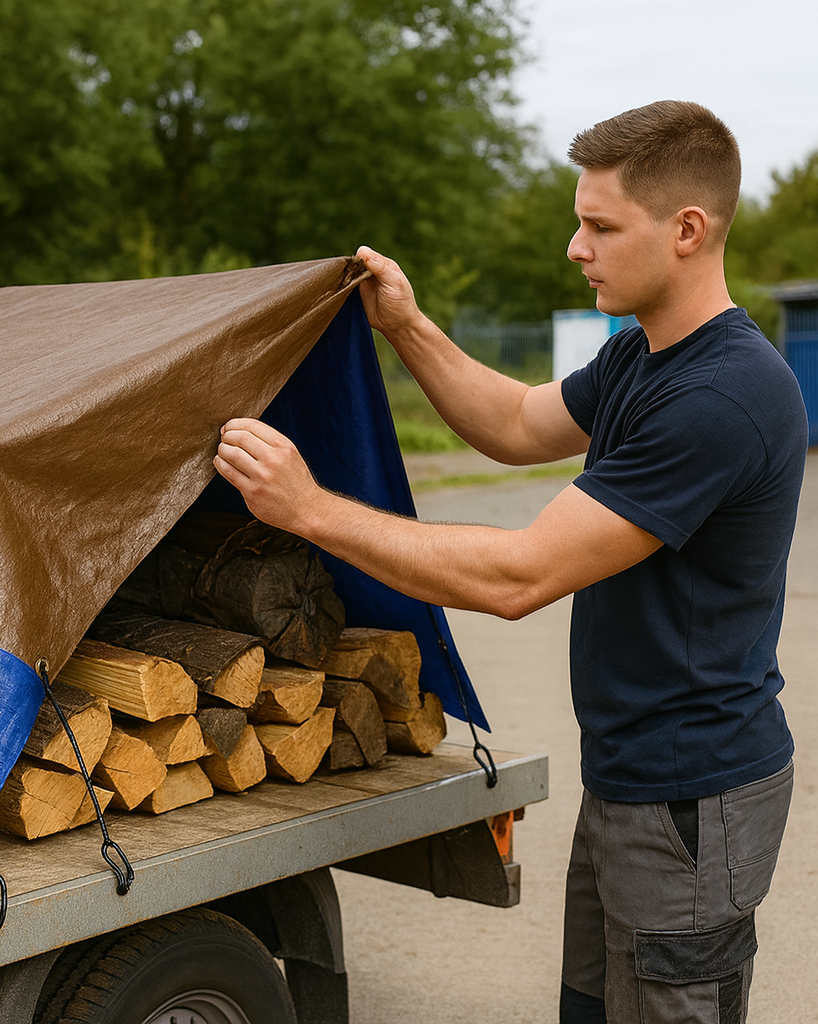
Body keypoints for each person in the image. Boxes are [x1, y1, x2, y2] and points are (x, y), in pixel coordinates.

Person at [214, 100, 807, 1024]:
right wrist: (405, 327)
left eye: (600, 225)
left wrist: (310, 509)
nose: (576, 246)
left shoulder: (722, 396)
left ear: (687, 230)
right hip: (632, 779)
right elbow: (518, 422)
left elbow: (517, 576)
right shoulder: (642, 358)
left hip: (693, 801)